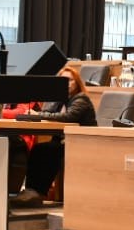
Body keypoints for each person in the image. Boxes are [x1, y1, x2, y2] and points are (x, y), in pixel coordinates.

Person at [7, 66, 96, 208]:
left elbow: (68, 117)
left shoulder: (81, 98)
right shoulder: (61, 99)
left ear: (77, 83)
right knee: (38, 149)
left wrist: (39, 115)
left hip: (82, 143)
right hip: (63, 141)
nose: (66, 84)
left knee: (49, 151)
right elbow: (46, 112)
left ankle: (38, 193)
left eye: (70, 80)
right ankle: (32, 192)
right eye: (62, 81)